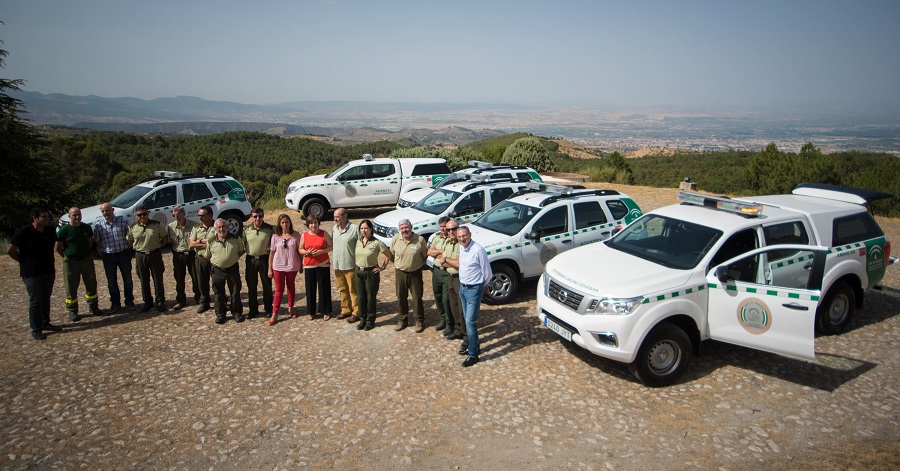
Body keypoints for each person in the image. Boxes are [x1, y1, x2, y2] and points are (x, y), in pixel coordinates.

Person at [8, 208, 63, 340]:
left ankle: (45, 323)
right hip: (32, 273)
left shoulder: (49, 231)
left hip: (48, 271)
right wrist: (22, 261)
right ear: (35, 218)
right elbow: (11, 250)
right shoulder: (24, 232)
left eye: (47, 216)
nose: (47, 219)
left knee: (46, 298)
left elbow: (57, 244)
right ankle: (36, 328)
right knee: (36, 300)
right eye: (44, 217)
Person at [442, 226, 492, 367]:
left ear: (470, 235)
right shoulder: (462, 248)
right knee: (466, 317)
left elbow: (487, 272)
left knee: (470, 321)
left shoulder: (478, 250)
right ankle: (474, 345)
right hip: (463, 288)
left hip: (474, 289)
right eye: (460, 237)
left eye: (464, 236)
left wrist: (482, 287)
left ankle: (473, 354)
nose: (462, 239)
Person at [55, 207, 102, 321]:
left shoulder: (86, 228)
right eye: (74, 215)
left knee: (91, 283)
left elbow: (90, 242)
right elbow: (58, 248)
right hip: (71, 262)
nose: (77, 217)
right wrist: (68, 256)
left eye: (79, 215)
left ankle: (93, 306)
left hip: (86, 260)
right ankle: (73, 311)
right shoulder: (64, 230)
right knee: (71, 286)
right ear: (69, 216)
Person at [93, 202, 135, 313]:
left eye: (107, 210)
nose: (105, 213)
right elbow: (97, 241)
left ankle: (129, 301)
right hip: (108, 256)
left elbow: (130, 238)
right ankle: (115, 303)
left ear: (112, 210)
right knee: (111, 282)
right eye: (103, 211)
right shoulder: (99, 226)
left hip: (123, 254)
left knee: (128, 279)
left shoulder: (123, 222)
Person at [389, 219, 429, 332]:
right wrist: (399, 264)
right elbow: (391, 255)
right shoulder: (396, 239)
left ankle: (419, 320)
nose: (404, 230)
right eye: (402, 228)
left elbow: (424, 255)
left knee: (417, 297)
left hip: (415, 272)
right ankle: (402, 319)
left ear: (411, 227)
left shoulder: (419, 240)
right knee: (401, 296)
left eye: (406, 227)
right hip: (400, 272)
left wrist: (414, 264)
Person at [127, 205, 168, 312]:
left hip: (154, 254)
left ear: (148, 214)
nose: (142, 216)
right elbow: (130, 241)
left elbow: (164, 239)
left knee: (158, 279)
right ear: (136, 216)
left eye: (144, 214)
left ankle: (160, 301)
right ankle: (147, 302)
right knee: (143, 280)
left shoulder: (156, 225)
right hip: (140, 256)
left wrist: (156, 246)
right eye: (139, 215)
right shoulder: (132, 227)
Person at [353, 219, 393, 331]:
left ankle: (370, 320)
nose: (363, 230)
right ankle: (362, 319)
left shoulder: (376, 243)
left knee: (370, 298)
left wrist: (382, 267)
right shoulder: (358, 241)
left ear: (371, 229)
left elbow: (388, 255)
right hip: (359, 272)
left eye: (366, 228)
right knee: (360, 297)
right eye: (361, 228)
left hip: (371, 273)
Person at [208, 217, 246, 324]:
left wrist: (230, 259)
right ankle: (220, 315)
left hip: (232, 268)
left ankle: (237, 313)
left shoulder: (235, 238)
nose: (221, 229)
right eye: (219, 227)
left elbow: (241, 251)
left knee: (235, 292)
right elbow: (207, 255)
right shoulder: (211, 240)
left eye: (223, 226)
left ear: (227, 227)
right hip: (217, 270)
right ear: (215, 229)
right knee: (218, 294)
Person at [267, 214, 302, 325]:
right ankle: (275, 312)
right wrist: (270, 268)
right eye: (282, 222)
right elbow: (271, 253)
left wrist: (301, 264)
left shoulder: (296, 235)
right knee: (279, 289)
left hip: (292, 265)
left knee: (291, 286)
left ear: (290, 222)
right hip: (278, 265)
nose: (285, 224)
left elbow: (299, 251)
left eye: (286, 222)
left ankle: (291, 307)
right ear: (279, 224)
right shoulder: (275, 236)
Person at [299, 214, 333, 320]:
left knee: (324, 288)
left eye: (315, 223)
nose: (314, 225)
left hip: (323, 264)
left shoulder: (324, 234)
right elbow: (300, 249)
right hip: (309, 265)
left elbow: (331, 246)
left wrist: (321, 251)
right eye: (311, 223)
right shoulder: (304, 235)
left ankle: (325, 311)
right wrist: (306, 252)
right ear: (308, 225)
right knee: (310, 289)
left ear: (318, 223)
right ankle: (311, 312)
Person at [243, 207, 274, 320]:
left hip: (264, 259)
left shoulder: (269, 229)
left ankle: (268, 309)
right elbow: (242, 245)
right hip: (250, 260)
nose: (258, 218)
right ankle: (253, 310)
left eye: (260, 216)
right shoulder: (246, 230)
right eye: (255, 216)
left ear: (263, 216)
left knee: (267, 285)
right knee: (251, 286)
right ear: (251, 217)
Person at [166, 205, 199, 310]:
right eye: (174, 215)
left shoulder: (194, 226)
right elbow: (170, 242)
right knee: (179, 279)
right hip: (178, 255)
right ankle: (181, 300)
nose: (176, 217)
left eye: (178, 214)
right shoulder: (170, 227)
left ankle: (199, 297)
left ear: (184, 214)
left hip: (192, 254)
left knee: (196, 277)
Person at [427, 217, 454, 335]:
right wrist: (440, 252)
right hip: (436, 270)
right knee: (437, 296)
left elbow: (448, 256)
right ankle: (442, 319)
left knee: (446, 299)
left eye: (445, 226)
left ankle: (450, 323)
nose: (443, 229)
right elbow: (429, 252)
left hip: (446, 272)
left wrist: (437, 252)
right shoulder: (437, 237)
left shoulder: (452, 239)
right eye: (441, 226)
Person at [332, 208, 360, 322]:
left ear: (345, 216)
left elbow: (361, 245)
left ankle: (356, 312)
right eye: (334, 217)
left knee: (354, 290)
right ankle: (345, 310)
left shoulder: (354, 229)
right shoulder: (334, 228)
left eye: (337, 217)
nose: (335, 219)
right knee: (342, 289)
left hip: (350, 265)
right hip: (338, 265)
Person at [439, 219, 464, 340]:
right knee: (453, 305)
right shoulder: (448, 243)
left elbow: (460, 264)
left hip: (460, 279)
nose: (450, 232)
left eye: (453, 229)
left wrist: (447, 260)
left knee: (462, 307)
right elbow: (441, 263)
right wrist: (450, 262)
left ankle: (465, 333)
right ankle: (457, 329)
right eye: (448, 230)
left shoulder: (462, 244)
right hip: (450, 277)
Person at [189, 206, 216, 313]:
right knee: (202, 282)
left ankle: (220, 302)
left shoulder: (217, 226)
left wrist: (199, 241)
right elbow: (191, 244)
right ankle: (205, 302)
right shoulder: (196, 228)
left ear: (210, 215)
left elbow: (218, 240)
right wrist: (208, 242)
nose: (200, 218)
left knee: (217, 282)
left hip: (214, 258)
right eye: (199, 215)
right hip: (200, 259)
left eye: (202, 215)